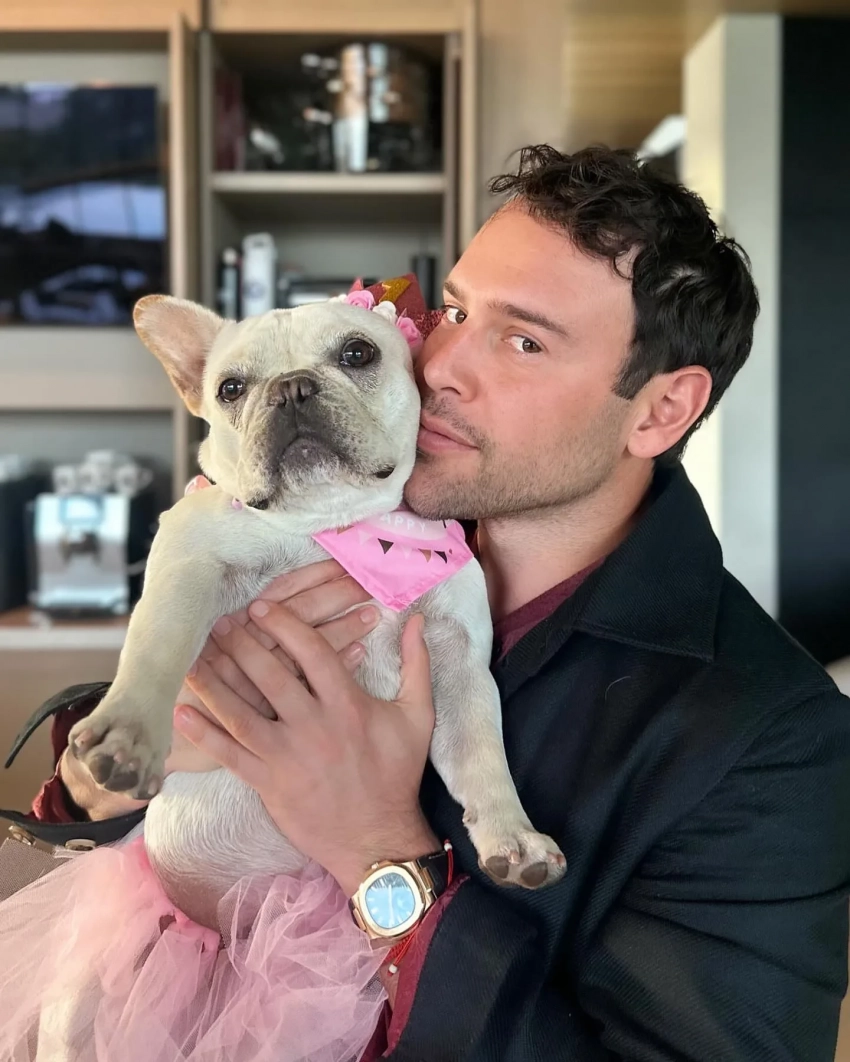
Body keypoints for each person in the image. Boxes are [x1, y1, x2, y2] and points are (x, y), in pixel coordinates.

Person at [15, 144, 850, 1061]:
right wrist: (101, 777)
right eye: (454, 311)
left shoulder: (773, 740)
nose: (441, 364)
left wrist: (379, 851)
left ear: (659, 411)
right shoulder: (349, 508)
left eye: (524, 341)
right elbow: (108, 784)